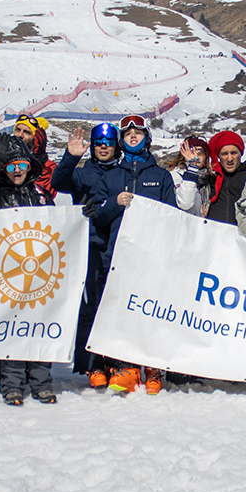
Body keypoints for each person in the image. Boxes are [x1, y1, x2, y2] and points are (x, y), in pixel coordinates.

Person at [0, 135, 59, 405]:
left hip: (39, 272)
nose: (17, 171)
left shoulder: (39, 193)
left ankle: (41, 383)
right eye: (11, 165)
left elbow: (57, 226)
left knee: (40, 326)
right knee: (14, 329)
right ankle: (12, 384)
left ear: (30, 167)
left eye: (22, 165)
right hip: (8, 273)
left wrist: (82, 218)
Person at [92, 115, 178, 393]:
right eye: (127, 133)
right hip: (117, 257)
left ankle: (152, 368)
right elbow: (97, 217)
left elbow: (172, 217)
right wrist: (114, 204)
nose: (132, 136)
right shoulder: (110, 176)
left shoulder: (160, 176)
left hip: (151, 257)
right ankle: (123, 367)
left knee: (149, 312)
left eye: (138, 132)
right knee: (119, 312)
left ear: (146, 139)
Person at [53, 122, 124, 387]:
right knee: (91, 305)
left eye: (107, 142)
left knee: (115, 305)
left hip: (118, 245)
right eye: (98, 143)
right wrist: (71, 157)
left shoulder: (123, 172)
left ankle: (115, 362)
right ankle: (90, 363)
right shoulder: (83, 173)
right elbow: (58, 182)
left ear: (116, 145)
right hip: (91, 244)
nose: (103, 147)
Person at [205, 130, 246, 225]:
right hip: (213, 234)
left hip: (241, 236)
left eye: (233, 153)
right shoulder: (211, 177)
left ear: (241, 153)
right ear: (218, 156)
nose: (229, 158)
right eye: (224, 154)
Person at [11, 114, 58, 200]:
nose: (20, 135)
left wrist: (38, 163)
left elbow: (47, 195)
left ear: (35, 138)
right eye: (18, 130)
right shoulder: (4, 159)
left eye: (26, 132)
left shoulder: (49, 166)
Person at [163, 136, 209, 216]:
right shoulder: (174, 176)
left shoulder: (208, 180)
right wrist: (193, 166)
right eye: (191, 150)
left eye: (200, 151)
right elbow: (185, 203)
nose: (195, 154)